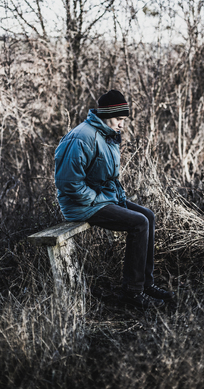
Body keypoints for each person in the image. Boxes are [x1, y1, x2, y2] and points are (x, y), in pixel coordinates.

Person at [54, 89, 174, 309]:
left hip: (101, 199)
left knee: (148, 215)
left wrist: (107, 196)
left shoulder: (106, 135)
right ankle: (132, 293)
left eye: (124, 120)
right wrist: (98, 197)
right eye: (119, 119)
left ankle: (145, 284)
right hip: (80, 205)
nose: (122, 125)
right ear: (106, 115)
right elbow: (68, 183)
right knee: (138, 223)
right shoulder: (82, 137)